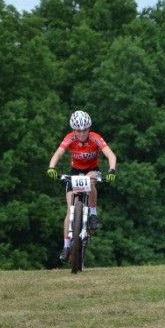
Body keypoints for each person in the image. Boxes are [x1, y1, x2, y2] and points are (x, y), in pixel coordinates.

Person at [47, 110, 117, 262]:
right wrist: (51, 167)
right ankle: (66, 246)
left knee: (90, 180)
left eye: (85, 130)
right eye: (78, 130)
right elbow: (58, 153)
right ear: (74, 130)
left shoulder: (95, 138)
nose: (82, 133)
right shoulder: (70, 138)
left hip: (92, 170)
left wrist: (112, 170)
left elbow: (111, 155)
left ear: (89, 128)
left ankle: (93, 213)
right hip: (75, 172)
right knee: (70, 210)